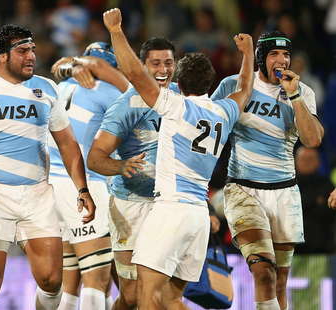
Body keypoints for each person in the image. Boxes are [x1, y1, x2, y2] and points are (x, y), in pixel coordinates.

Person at [102, 7, 255, 309]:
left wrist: (116, 31)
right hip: (199, 214)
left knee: (147, 298)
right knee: (172, 299)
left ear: (179, 85)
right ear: (210, 83)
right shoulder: (224, 111)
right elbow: (245, 89)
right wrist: (249, 54)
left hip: (170, 210)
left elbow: (134, 73)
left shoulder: (174, 106)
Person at [0, 24, 96, 310]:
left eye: (33, 51)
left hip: (37, 195)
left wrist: (82, 189)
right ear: (2, 57)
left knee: (52, 281)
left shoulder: (47, 88)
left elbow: (67, 143)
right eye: (22, 50)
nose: (31, 56)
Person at [211, 30, 324, 310]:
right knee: (264, 272)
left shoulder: (302, 91)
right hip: (242, 189)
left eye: (286, 54)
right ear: (261, 57)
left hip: (285, 193)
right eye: (274, 53)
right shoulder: (232, 85)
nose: (282, 60)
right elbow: (207, 129)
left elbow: (312, 140)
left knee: (280, 285)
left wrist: (294, 96)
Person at [87, 36, 177, 310]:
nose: (163, 69)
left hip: (169, 207)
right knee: (131, 296)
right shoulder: (125, 106)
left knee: (162, 294)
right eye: (156, 63)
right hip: (130, 207)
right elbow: (94, 158)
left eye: (169, 62)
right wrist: (122, 166)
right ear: (142, 66)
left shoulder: (182, 100)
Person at [48, 42, 129, 310]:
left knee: (70, 283)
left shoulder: (61, 86)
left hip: (52, 184)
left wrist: (70, 65)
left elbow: (57, 68)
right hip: (83, 185)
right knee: (96, 276)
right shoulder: (110, 92)